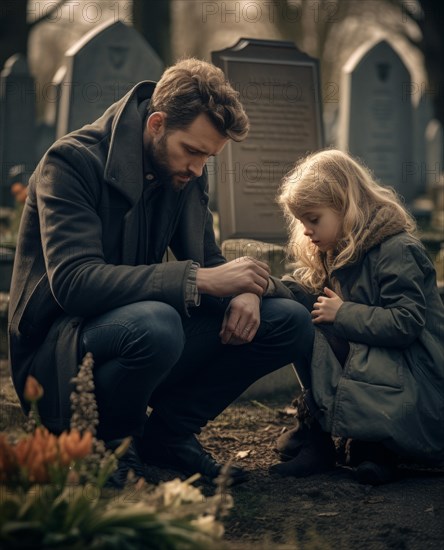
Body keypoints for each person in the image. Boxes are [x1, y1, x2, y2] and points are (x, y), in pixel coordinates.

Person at [8, 58, 313, 488]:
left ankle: (167, 437)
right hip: (59, 353)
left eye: (208, 156)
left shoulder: (183, 173)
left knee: (288, 322)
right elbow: (74, 283)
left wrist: (247, 290)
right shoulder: (71, 163)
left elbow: (209, 262)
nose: (198, 167)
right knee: (157, 323)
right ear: (156, 123)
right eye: (192, 150)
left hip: (136, 332)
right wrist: (198, 281)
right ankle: (109, 446)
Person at [268, 149, 444, 485]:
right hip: (379, 366)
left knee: (313, 318)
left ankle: (374, 444)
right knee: (295, 304)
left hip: (415, 380)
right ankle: (321, 434)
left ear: (344, 205)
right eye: (301, 222)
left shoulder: (397, 249)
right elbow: (305, 293)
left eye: (313, 219)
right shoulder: (338, 248)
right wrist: (258, 287)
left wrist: (343, 313)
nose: (306, 230)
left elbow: (405, 323)